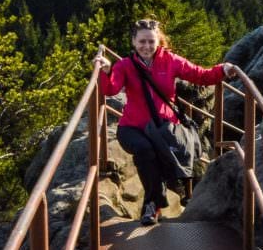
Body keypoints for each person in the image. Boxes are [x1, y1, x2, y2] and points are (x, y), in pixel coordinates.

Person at [93, 19, 234, 226]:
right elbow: (110, 89)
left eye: (151, 41)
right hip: (132, 126)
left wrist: (223, 69)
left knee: (155, 154)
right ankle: (152, 204)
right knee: (145, 150)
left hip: (162, 128)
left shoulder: (170, 61)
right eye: (142, 42)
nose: (146, 46)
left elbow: (200, 75)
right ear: (133, 41)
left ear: (158, 41)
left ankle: (156, 203)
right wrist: (105, 71)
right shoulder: (125, 65)